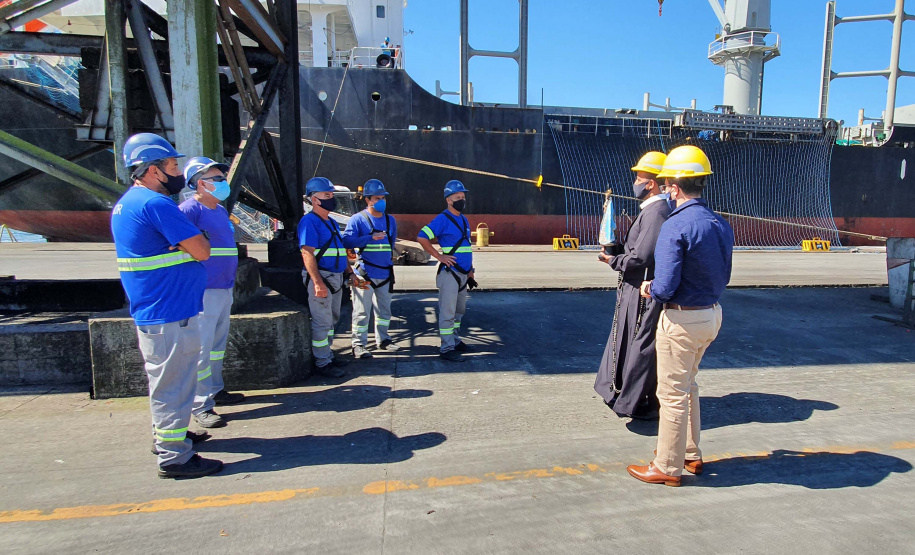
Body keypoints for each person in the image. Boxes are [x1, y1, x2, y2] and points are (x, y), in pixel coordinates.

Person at [111, 133, 222, 479]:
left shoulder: (127, 202)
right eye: (173, 165)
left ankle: (168, 436)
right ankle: (174, 457)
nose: (178, 172)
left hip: (158, 309)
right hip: (169, 311)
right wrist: (194, 242)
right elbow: (202, 249)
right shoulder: (156, 205)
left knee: (168, 380)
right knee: (173, 383)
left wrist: (185, 246)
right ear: (152, 170)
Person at [626, 145, 734, 487]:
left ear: (673, 186)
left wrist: (648, 289)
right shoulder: (720, 223)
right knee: (688, 387)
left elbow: (666, 286)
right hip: (711, 315)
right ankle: (691, 453)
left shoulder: (676, 225)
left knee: (671, 394)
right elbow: (724, 274)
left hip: (682, 319)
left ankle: (666, 467)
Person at [594, 151, 672, 419]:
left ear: (651, 182)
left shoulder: (657, 212)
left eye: (639, 176)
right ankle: (625, 394)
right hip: (634, 287)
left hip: (641, 291)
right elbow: (637, 249)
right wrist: (615, 249)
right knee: (627, 340)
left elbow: (642, 257)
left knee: (638, 343)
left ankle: (637, 401)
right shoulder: (653, 211)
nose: (635, 182)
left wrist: (614, 260)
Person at [179, 157, 246, 430]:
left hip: (223, 287)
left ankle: (216, 389)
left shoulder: (218, 210)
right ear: (200, 183)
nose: (222, 183)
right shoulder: (188, 210)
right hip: (203, 290)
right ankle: (201, 405)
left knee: (217, 346)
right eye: (217, 179)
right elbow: (178, 245)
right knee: (202, 349)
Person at [299, 177, 359, 376]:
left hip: (334, 278)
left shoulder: (331, 222)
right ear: (314, 199)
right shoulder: (309, 222)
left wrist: (351, 272)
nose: (331, 198)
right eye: (327, 195)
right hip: (323, 279)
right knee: (322, 322)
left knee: (331, 320)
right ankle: (322, 363)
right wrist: (317, 282)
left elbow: (340, 252)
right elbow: (307, 252)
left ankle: (328, 356)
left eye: (331, 195)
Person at [417, 180, 476, 362]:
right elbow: (422, 236)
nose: (462, 200)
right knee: (447, 312)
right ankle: (446, 348)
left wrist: (471, 271)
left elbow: (466, 247)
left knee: (459, 311)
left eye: (463, 197)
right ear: (449, 200)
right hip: (450, 274)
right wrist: (439, 256)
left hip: (463, 274)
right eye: (458, 197)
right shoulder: (442, 219)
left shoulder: (463, 219)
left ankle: (455, 340)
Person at [342, 179, 399, 359]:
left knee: (384, 310)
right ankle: (358, 344)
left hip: (384, 273)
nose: (381, 201)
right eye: (377, 198)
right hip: (364, 273)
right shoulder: (357, 220)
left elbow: (391, 244)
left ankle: (383, 339)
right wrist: (369, 238)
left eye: (383, 198)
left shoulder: (391, 221)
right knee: (360, 312)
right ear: (367, 200)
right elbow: (347, 241)